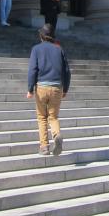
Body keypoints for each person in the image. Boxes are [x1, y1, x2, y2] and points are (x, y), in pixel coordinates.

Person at [26, 24, 71, 156]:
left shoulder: (36, 49)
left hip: (41, 87)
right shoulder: (59, 49)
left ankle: (44, 147)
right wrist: (65, 89)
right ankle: (57, 135)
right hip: (57, 87)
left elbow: (32, 70)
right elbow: (67, 71)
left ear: (41, 36)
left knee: (41, 117)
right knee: (53, 117)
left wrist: (30, 89)